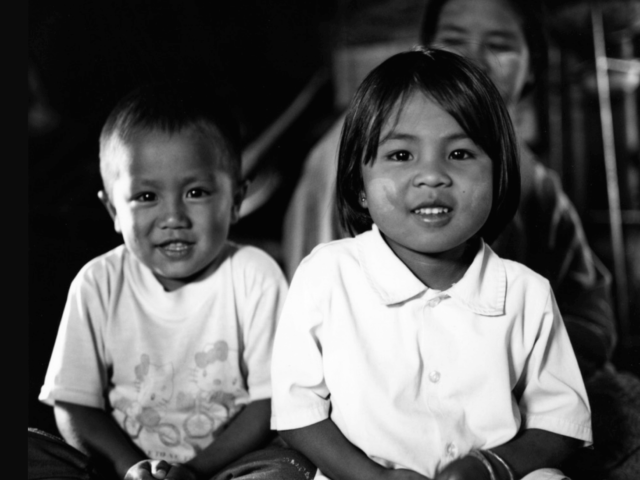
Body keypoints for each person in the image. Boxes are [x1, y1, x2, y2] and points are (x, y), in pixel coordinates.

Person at [271, 47, 592, 480]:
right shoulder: (326, 276)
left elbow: (562, 422)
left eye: (459, 154)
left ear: (498, 177)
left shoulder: (526, 293)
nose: (432, 176)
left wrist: (490, 467)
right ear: (358, 184)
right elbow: (296, 413)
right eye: (401, 155)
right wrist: (375, 479)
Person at [283, 0, 616, 392]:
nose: (474, 59)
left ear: (531, 69)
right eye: (454, 40)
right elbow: (318, 318)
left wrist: (524, 359)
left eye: (500, 45)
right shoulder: (359, 143)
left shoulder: (538, 184)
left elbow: (590, 312)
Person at [37, 82, 314, 480]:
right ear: (113, 210)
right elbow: (75, 405)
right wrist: (130, 468)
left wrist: (194, 472)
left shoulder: (256, 275)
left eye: (196, 192)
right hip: (118, 468)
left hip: (224, 468)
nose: (173, 218)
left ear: (236, 200)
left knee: (289, 469)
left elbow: (268, 402)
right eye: (146, 197)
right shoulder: (97, 283)